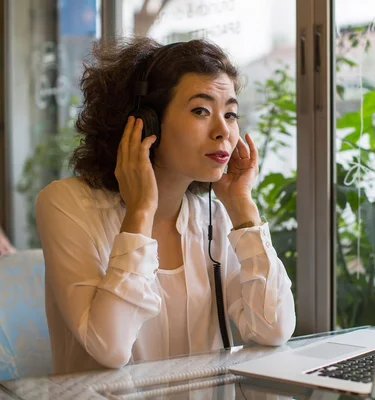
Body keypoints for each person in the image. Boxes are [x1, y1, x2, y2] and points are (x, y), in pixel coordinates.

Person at [35, 37, 296, 375]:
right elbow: (110, 348)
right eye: (201, 110)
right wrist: (140, 213)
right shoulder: (65, 204)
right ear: (147, 122)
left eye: (230, 114)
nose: (224, 132)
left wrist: (242, 207)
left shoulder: (215, 216)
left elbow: (273, 329)